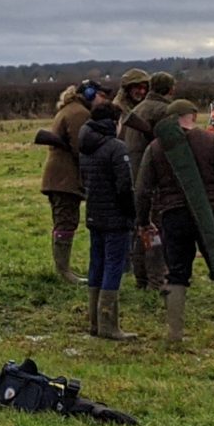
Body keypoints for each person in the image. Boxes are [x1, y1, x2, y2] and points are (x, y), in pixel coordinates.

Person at [141, 93, 214, 344]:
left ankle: (174, 334)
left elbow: (142, 190)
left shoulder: (155, 148)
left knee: (177, 274)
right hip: (210, 215)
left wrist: (142, 221)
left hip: (172, 217)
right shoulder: (210, 141)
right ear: (193, 115)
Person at [76, 99, 138, 339]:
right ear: (114, 121)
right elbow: (124, 187)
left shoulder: (86, 146)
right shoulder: (116, 147)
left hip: (94, 213)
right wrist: (131, 214)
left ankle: (94, 322)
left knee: (97, 264)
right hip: (115, 217)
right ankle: (108, 324)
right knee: (114, 266)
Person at [119, 70, 177, 289]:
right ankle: (157, 281)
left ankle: (141, 279)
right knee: (155, 232)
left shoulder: (137, 109)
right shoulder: (165, 111)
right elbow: (173, 146)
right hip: (154, 179)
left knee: (141, 228)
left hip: (134, 177)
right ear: (171, 89)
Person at [37, 80, 95, 282]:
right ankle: (64, 272)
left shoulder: (69, 109)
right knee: (66, 221)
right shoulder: (79, 113)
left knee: (64, 220)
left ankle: (63, 269)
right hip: (65, 178)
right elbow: (82, 148)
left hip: (60, 177)